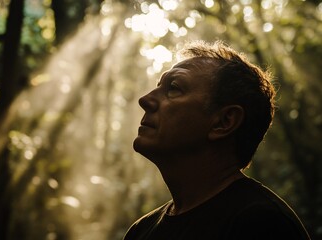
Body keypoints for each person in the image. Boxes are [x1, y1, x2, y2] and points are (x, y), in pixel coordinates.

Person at [123, 40, 310, 240]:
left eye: (174, 88)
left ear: (224, 121)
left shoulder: (263, 224)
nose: (145, 100)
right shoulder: (141, 231)